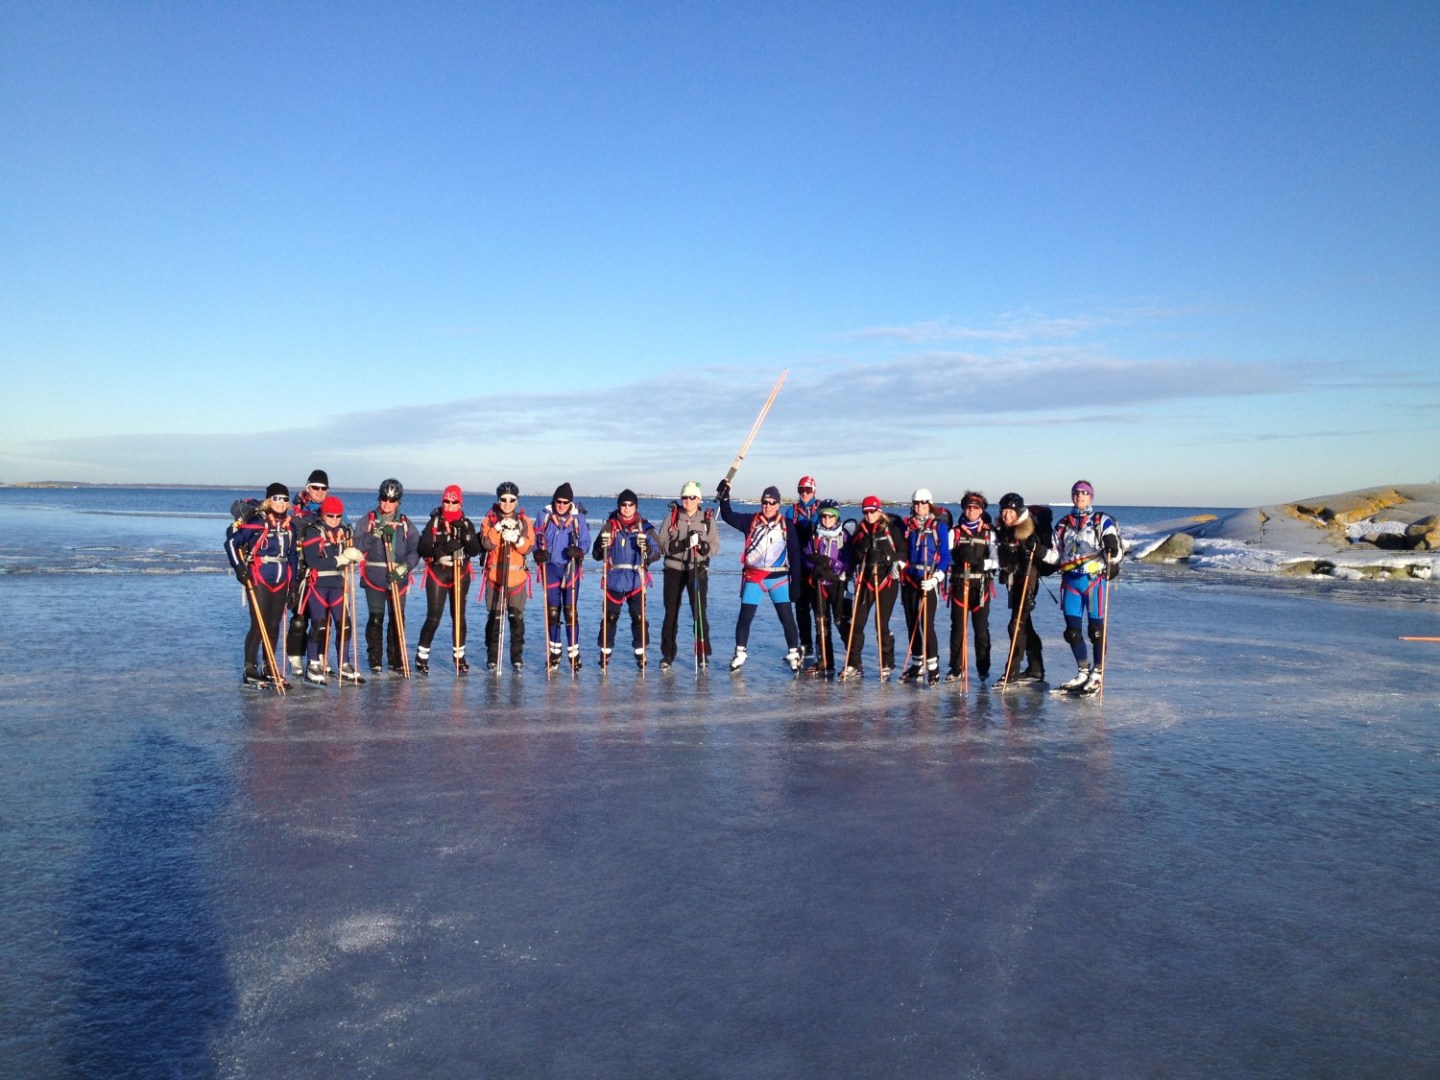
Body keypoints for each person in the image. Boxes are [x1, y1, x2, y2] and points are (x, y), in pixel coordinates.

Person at [717, 480, 803, 672]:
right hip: (754, 578)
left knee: (787, 618)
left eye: (772, 502)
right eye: (765, 502)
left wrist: (796, 582)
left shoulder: (786, 525)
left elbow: (795, 554)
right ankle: (740, 653)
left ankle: (793, 653)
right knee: (745, 617)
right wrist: (724, 497)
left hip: (778, 578)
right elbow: (728, 516)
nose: (768, 506)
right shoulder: (751, 521)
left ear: (778, 505)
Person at [1051, 480, 1122, 693]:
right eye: (1076, 493)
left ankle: (1098, 673)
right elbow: (1056, 555)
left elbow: (1116, 552)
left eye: (1084, 493)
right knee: (1072, 632)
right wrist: (1038, 552)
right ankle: (1083, 671)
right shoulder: (1063, 523)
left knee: (1096, 631)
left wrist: (1112, 547)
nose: (1079, 496)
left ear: (1091, 497)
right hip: (1071, 582)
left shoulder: (1102, 520)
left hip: (1093, 581)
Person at [224, 483, 299, 687]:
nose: (281, 503)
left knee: (274, 625)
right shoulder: (258, 522)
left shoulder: (290, 526)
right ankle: (250, 669)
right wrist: (240, 569)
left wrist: (294, 584)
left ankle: (269, 667)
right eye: (276, 498)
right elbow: (231, 543)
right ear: (268, 500)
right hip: (259, 578)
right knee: (259, 625)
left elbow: (292, 556)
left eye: (284, 499)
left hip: (282, 580)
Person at [296, 495, 365, 685]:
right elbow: (313, 561)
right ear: (323, 515)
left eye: (337, 516)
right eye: (330, 516)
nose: (334, 520)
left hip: (337, 584)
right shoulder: (313, 531)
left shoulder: (344, 531)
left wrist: (354, 557)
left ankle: (344, 663)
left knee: (344, 625)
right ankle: (313, 663)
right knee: (319, 626)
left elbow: (349, 556)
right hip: (318, 584)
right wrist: (339, 560)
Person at [415, 485, 482, 676]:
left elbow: (475, 551)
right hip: (438, 572)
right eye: (447, 501)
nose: (451, 505)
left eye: (454, 502)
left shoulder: (466, 523)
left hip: (460, 573)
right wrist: (442, 550)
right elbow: (424, 548)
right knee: (434, 617)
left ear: (460, 503)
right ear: (442, 501)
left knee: (459, 617)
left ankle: (459, 658)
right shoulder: (434, 522)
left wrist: (467, 537)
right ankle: (422, 657)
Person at [592, 490, 661, 671]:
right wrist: (601, 545)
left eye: (631, 505)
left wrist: (647, 550)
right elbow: (596, 554)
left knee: (638, 617)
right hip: (614, 579)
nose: (627, 508)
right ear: (619, 506)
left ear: (636, 507)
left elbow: (658, 552)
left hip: (636, 579)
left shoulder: (645, 527)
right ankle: (605, 652)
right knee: (610, 617)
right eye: (624, 505)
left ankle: (640, 652)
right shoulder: (610, 526)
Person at [655, 481, 721, 671]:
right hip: (673, 569)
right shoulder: (672, 517)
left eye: (692, 497)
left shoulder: (707, 519)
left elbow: (715, 546)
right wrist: (677, 546)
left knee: (699, 612)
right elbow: (660, 544)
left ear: (699, 499)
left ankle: (703, 654)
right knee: (671, 613)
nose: (688, 501)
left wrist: (703, 547)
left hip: (696, 568)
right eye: (685, 497)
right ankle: (667, 654)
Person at [357, 478, 419, 674]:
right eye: (384, 498)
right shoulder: (368, 520)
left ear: (398, 502)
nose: (387, 503)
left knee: (396, 619)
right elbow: (356, 547)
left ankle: (395, 659)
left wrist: (404, 568)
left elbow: (415, 550)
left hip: (397, 579)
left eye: (392, 500)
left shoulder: (405, 524)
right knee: (376, 618)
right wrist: (374, 535)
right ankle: (375, 659)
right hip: (374, 577)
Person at [841, 495, 903, 679]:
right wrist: (860, 552)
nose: (869, 515)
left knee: (880, 624)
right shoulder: (861, 530)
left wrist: (889, 560)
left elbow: (902, 552)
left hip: (886, 581)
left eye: (872, 511)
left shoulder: (891, 529)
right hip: (866, 581)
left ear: (879, 511)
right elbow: (853, 556)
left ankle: (887, 664)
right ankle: (854, 664)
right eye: (866, 512)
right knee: (857, 623)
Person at [993, 492, 1052, 687]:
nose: (1005, 515)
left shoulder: (1030, 529)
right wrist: (1004, 568)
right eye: (1003, 511)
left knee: (1015, 625)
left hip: (1029, 580)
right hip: (1016, 581)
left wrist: (1037, 550)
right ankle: (1036, 669)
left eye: (1010, 512)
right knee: (1025, 626)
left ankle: (1011, 671)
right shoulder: (1005, 529)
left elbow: (1048, 558)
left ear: (1018, 512)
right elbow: (1006, 555)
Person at [534, 482, 591, 674]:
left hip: (570, 568)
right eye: (558, 501)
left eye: (565, 502)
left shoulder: (578, 518)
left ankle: (573, 652)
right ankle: (554, 652)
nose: (561, 505)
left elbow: (585, 541)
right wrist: (537, 553)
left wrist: (579, 551)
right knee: (552, 612)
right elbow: (535, 538)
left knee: (570, 611)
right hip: (550, 567)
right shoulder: (544, 515)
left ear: (570, 502)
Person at [479, 481, 535, 673]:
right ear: (498, 500)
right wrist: (498, 529)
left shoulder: (524, 521)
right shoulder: (490, 519)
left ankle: (516, 657)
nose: (507, 503)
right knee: (494, 619)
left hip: (517, 579)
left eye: (511, 500)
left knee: (516, 619)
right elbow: (486, 543)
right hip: (495, 578)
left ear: (517, 501)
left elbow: (529, 546)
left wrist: (517, 539)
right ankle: (492, 657)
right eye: (503, 499)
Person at [284, 468, 332, 676]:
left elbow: (344, 529)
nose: (319, 492)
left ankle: (319, 655)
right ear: (308, 487)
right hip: (301, 569)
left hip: (325, 570)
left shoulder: (333, 510)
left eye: (323, 488)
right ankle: (295, 657)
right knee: (299, 617)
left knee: (321, 618)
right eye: (316, 487)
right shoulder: (295, 509)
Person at [899, 488, 950, 684]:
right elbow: (903, 550)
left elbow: (946, 556)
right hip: (910, 580)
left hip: (929, 580)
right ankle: (917, 663)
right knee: (911, 623)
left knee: (926, 625)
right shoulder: (908, 526)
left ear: (929, 503)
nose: (919, 506)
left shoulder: (938, 527)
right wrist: (900, 563)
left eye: (923, 503)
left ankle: (933, 666)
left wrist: (937, 577)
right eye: (916, 503)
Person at [946, 491, 997, 683]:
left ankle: (983, 668)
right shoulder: (955, 532)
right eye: (969, 507)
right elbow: (947, 558)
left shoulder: (989, 532)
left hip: (981, 587)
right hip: (960, 585)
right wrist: (958, 557)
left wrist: (979, 562)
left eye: (976, 508)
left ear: (981, 510)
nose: (972, 511)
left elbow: (996, 560)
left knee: (981, 629)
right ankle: (956, 668)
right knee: (958, 629)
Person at [805, 499, 851, 675]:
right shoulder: (815, 536)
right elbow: (807, 556)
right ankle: (825, 660)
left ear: (836, 517)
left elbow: (848, 561)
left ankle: (853, 661)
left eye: (830, 516)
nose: (826, 520)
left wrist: (832, 564)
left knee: (841, 621)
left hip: (837, 583)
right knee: (821, 622)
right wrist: (814, 567)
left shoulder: (844, 535)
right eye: (823, 516)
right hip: (819, 583)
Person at [785, 475, 821, 662]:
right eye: (801, 490)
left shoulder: (821, 509)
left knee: (819, 607)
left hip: (817, 565)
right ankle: (806, 645)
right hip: (798, 565)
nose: (804, 494)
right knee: (801, 607)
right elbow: (784, 535)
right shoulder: (792, 512)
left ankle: (822, 645)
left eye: (807, 490)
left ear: (814, 491)